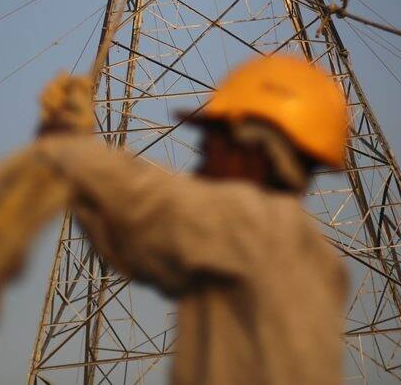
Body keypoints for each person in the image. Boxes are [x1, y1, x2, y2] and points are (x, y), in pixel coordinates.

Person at [33, 54, 350, 384]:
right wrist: (77, 181)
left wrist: (68, 147)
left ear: (254, 148)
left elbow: (147, 201)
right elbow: (137, 241)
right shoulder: (311, 255)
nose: (200, 163)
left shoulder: (255, 222)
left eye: (211, 144)